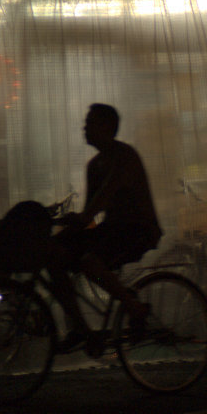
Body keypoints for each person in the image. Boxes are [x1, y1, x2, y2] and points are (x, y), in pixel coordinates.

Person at [46, 103, 162, 351]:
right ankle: (80, 328)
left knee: (88, 261)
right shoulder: (94, 166)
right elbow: (91, 217)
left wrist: (81, 219)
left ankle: (135, 308)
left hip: (138, 230)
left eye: (90, 123)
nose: (84, 127)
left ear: (107, 127)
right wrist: (67, 229)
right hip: (112, 230)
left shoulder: (124, 156)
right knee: (54, 255)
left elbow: (103, 198)